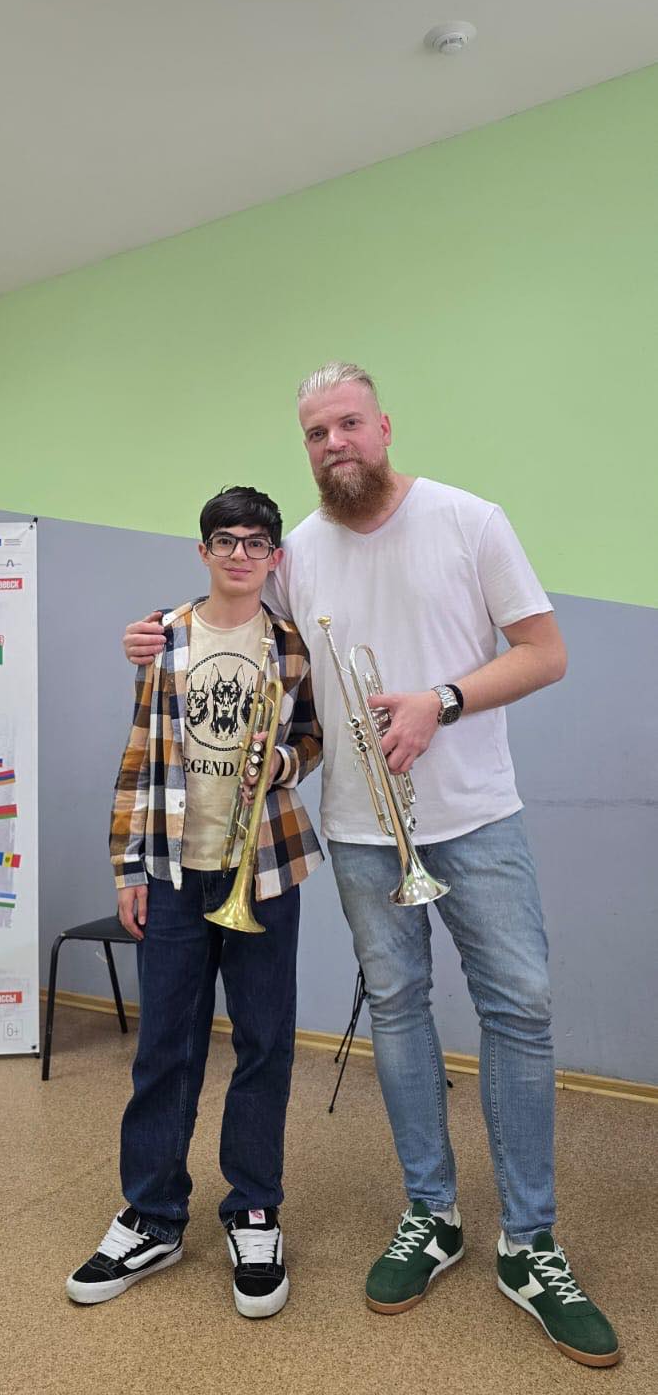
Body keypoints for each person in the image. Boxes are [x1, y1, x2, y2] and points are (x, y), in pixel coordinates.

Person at [123, 365, 619, 1368]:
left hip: (476, 817)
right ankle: (431, 1214)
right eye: (315, 432)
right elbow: (243, 620)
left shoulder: (470, 521)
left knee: (519, 1010)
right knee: (397, 1010)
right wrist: (160, 632)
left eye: (348, 423)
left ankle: (530, 1242)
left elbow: (546, 651)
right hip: (357, 827)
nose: (334, 443)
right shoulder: (298, 553)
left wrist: (442, 699)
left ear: (383, 426)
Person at [67, 486, 324, 1319]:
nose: (240, 554)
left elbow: (313, 737)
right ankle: (152, 1215)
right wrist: (126, 870)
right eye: (225, 540)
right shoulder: (165, 637)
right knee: (165, 1048)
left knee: (264, 1045)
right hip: (174, 873)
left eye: (255, 543)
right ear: (203, 551)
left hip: (266, 870)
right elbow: (138, 756)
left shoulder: (293, 645)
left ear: (274, 557)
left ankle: (254, 1210)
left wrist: (283, 764)